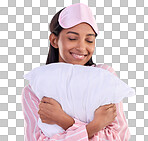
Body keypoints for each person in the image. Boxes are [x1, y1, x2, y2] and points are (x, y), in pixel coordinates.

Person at [21, 3, 130, 141]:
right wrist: (95, 126)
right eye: (72, 38)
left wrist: (63, 121)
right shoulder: (35, 90)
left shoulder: (104, 77)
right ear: (54, 40)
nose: (82, 47)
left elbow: (119, 137)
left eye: (89, 40)